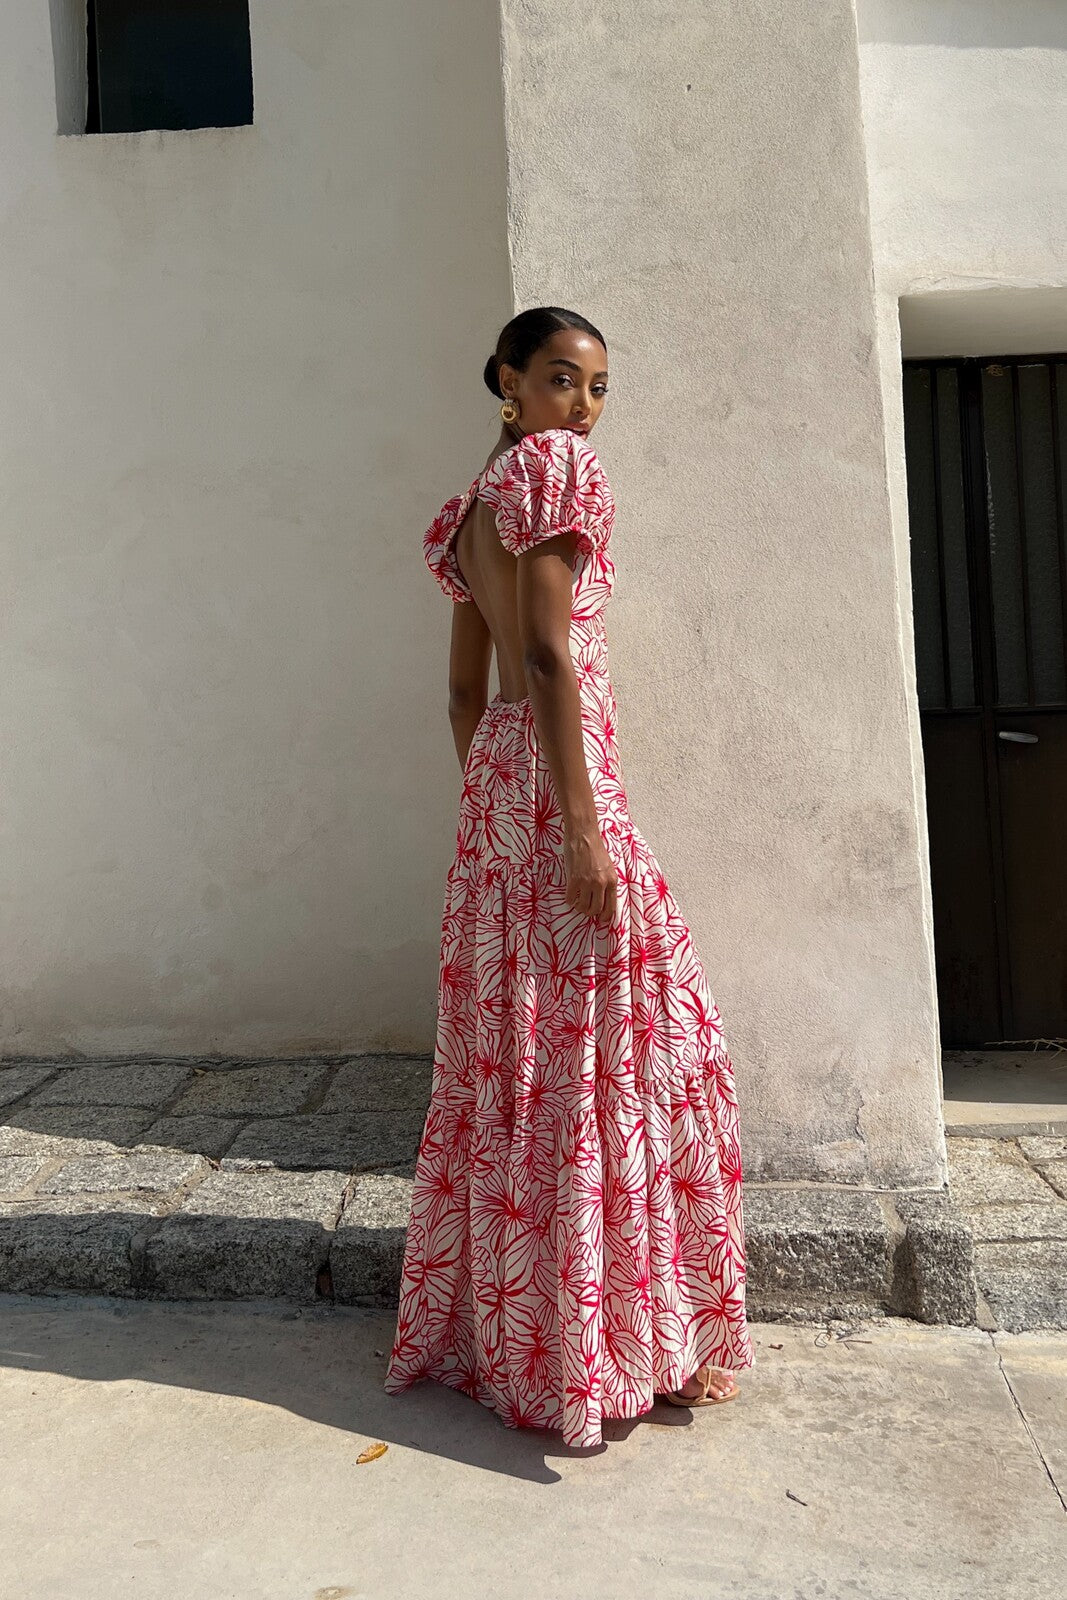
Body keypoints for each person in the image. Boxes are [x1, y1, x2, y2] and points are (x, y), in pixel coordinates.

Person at [385, 307, 753, 1448]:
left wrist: (498, 795)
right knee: (629, 1043)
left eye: (596, 388)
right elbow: (544, 652)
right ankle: (608, 1347)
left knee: (525, 1051)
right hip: (561, 776)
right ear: (508, 381)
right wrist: (582, 828)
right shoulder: (554, 472)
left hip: (501, 776)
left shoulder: (468, 508)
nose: (581, 407)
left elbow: (466, 689)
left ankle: (527, 1336)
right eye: (558, 379)